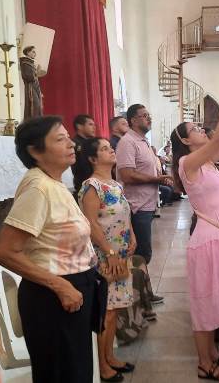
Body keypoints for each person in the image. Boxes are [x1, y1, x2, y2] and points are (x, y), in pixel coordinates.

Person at [0, 116, 101, 383]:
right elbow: (3, 250)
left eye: (68, 137)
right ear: (35, 150)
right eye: (60, 139)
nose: (71, 144)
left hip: (72, 289)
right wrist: (60, 286)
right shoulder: (38, 187)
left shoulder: (54, 183)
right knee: (62, 373)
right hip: (53, 297)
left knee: (77, 370)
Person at [170, 76, 219, 382]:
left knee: (215, 299)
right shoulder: (187, 163)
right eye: (195, 130)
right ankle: (204, 363)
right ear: (186, 142)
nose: (201, 130)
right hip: (206, 241)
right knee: (205, 302)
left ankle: (213, 353)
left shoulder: (205, 162)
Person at [77, 138, 136, 382]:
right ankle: (101, 365)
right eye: (104, 149)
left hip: (120, 253)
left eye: (109, 147)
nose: (111, 149)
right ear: (92, 159)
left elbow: (124, 214)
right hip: (104, 255)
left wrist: (132, 235)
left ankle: (110, 356)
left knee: (116, 309)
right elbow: (89, 223)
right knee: (106, 312)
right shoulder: (92, 186)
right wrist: (109, 252)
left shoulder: (115, 184)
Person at [116, 104, 172, 269]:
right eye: (144, 115)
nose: (149, 118)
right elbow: (127, 175)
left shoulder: (143, 142)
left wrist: (159, 178)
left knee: (144, 253)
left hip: (146, 204)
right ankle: (136, 293)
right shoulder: (128, 142)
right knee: (141, 253)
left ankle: (143, 292)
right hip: (136, 206)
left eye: (149, 115)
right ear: (133, 120)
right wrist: (157, 179)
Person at [71, 114, 97, 194]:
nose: (94, 127)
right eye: (90, 124)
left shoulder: (93, 143)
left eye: (94, 125)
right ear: (79, 126)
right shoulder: (74, 144)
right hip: (83, 187)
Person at [19, 46, 43, 120]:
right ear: (28, 52)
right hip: (30, 88)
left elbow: (35, 78)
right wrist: (37, 72)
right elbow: (28, 77)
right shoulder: (25, 63)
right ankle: (33, 124)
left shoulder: (31, 63)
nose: (35, 54)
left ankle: (37, 124)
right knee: (34, 106)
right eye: (33, 51)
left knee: (38, 107)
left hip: (35, 88)